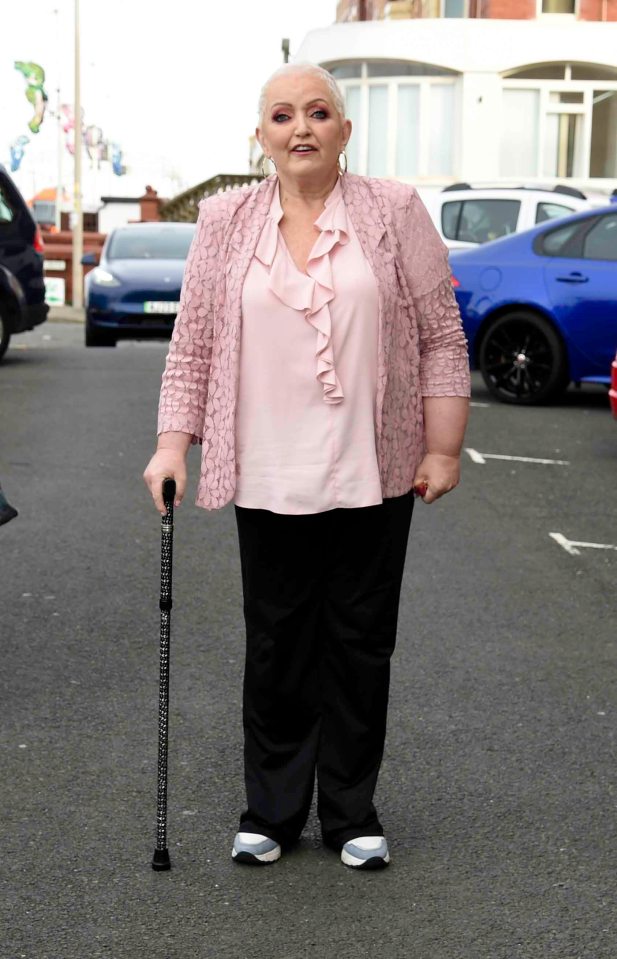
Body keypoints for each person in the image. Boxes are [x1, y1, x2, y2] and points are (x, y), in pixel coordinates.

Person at [144, 63, 470, 871]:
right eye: (283, 115)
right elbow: (193, 347)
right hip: (266, 470)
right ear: (261, 136)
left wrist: (440, 446)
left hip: (373, 464)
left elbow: (440, 335)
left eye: (318, 113)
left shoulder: (393, 212)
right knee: (277, 641)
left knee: (359, 643)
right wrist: (170, 445)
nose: (301, 128)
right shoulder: (223, 221)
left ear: (343, 131)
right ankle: (274, 808)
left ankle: (351, 810)